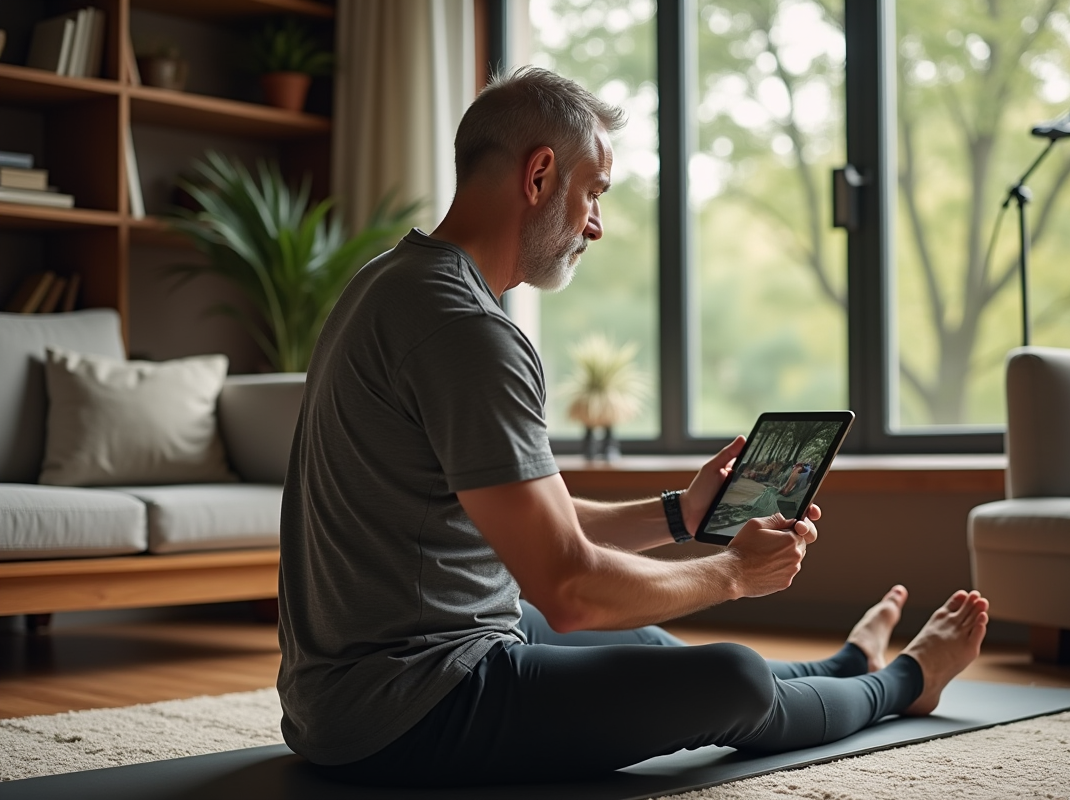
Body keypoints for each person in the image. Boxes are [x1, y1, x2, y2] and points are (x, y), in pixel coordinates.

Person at [276, 66, 989, 788]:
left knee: (649, 641)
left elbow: (533, 520)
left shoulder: (389, 282)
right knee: (730, 680)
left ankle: (839, 666)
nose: (596, 223)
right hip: (407, 707)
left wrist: (683, 514)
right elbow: (570, 589)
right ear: (540, 175)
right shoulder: (468, 331)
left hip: (365, 682)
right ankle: (906, 682)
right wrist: (735, 573)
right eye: (593, 193)